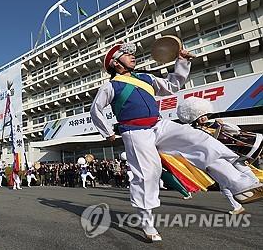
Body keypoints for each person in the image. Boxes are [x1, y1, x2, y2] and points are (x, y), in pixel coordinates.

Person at [90, 42, 263, 241]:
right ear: (115, 63)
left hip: (159, 124)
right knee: (148, 174)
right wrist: (107, 132)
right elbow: (96, 109)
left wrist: (182, 61)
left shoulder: (146, 78)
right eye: (126, 55)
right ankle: (147, 223)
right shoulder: (111, 85)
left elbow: (172, 85)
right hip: (135, 131)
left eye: (132, 54)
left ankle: (240, 185)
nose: (132, 57)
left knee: (199, 140)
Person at [177, 96, 262, 214]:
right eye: (201, 116)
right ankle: (237, 206)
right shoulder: (193, 132)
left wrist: (223, 124)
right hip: (217, 159)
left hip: (232, 154)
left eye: (205, 115)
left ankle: (254, 189)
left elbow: (236, 131)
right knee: (224, 185)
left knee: (246, 172)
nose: (204, 118)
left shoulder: (215, 124)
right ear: (194, 118)